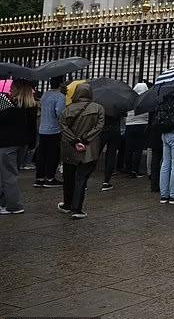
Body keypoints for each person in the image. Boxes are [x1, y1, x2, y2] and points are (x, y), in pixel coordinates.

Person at [58, 81, 104, 219]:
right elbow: (99, 126)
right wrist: (84, 139)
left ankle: (67, 204)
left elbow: (63, 127)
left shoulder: (67, 109)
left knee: (68, 177)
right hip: (88, 148)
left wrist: (75, 141)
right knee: (81, 178)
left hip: (70, 148)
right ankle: (77, 209)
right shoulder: (98, 108)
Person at [0, 79, 39, 215]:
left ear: (18, 89)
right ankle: (5, 201)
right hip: (22, 143)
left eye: (13, 87)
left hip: (6, 143)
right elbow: (32, 127)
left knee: (8, 175)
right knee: (11, 173)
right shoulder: (31, 105)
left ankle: (14, 206)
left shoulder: (8, 104)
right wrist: (31, 144)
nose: (10, 89)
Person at [35, 76, 66, 188]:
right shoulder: (60, 96)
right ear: (60, 84)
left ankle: (39, 178)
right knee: (53, 154)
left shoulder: (45, 95)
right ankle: (50, 178)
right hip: (54, 129)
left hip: (43, 128)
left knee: (42, 154)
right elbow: (60, 113)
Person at [123, 83, 150, 178]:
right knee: (138, 150)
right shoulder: (146, 100)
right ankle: (135, 170)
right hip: (142, 126)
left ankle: (128, 169)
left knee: (129, 149)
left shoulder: (130, 100)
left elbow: (125, 113)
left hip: (129, 126)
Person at [99, 109, 124, 191]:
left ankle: (84, 182)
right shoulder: (118, 104)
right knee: (111, 155)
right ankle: (106, 181)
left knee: (95, 154)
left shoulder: (101, 104)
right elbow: (124, 114)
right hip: (115, 131)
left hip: (102, 131)